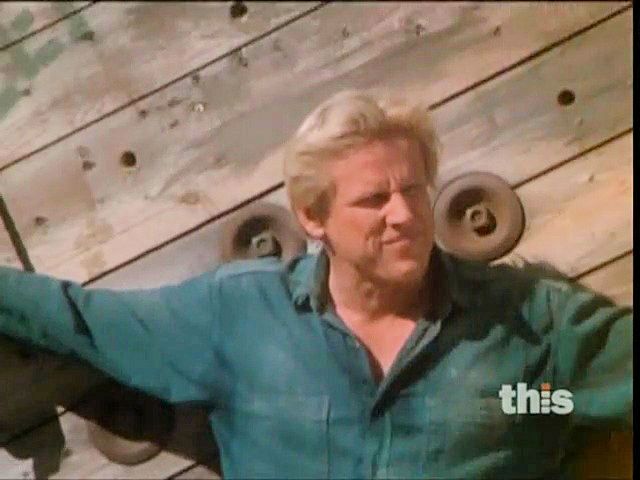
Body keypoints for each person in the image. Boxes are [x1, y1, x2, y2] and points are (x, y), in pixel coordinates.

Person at [0, 91, 632, 479]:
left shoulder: (529, 327)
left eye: (414, 190)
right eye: (374, 199)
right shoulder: (240, 317)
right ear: (312, 217)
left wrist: (524, 405)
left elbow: (569, 397)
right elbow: (77, 317)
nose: (404, 214)